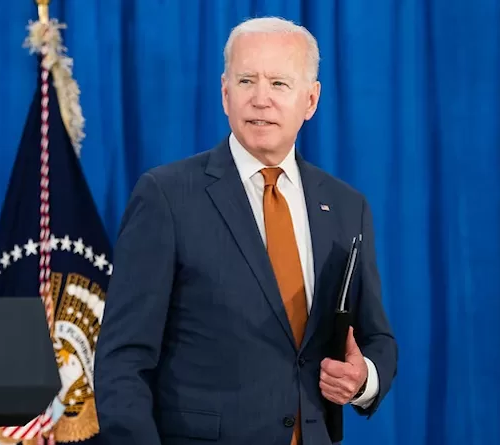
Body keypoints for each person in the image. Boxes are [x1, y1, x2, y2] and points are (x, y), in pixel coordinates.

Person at [93, 16, 397, 445]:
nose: (260, 99)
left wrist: (363, 378)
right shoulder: (166, 195)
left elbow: (376, 336)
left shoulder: (348, 207)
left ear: (311, 100)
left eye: (278, 84)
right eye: (246, 81)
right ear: (224, 93)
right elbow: (122, 360)